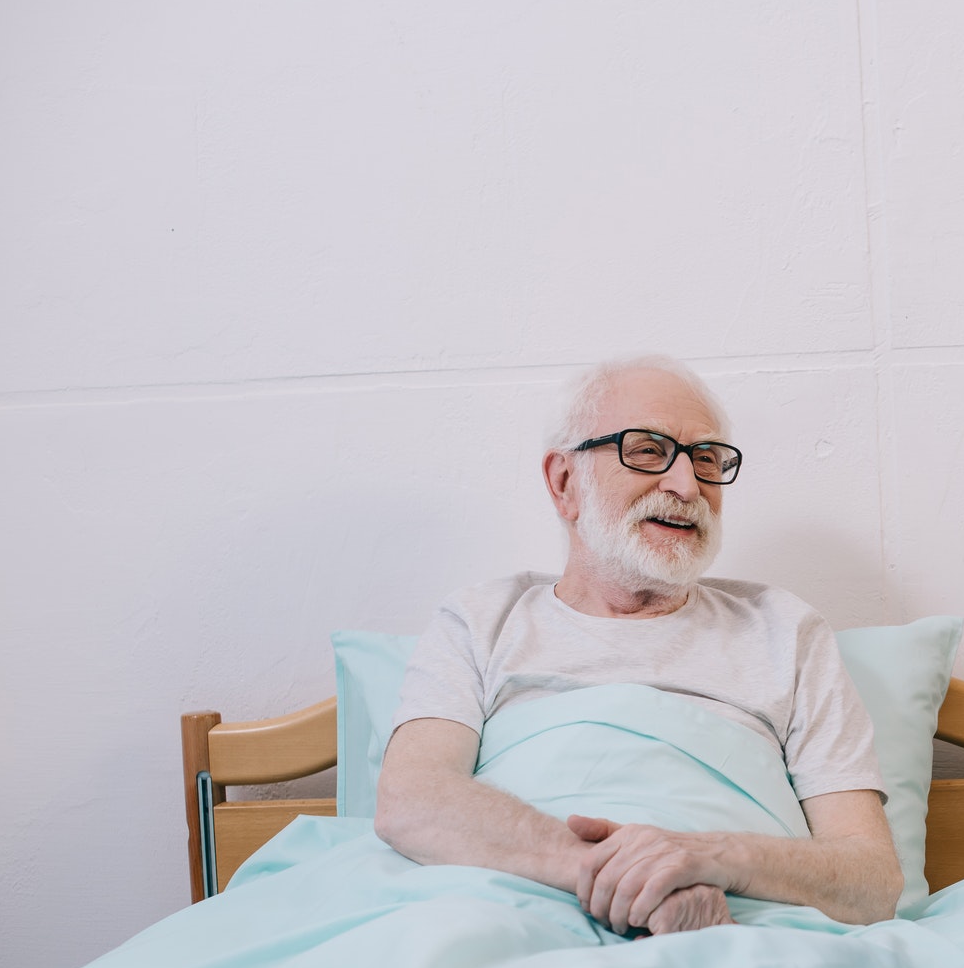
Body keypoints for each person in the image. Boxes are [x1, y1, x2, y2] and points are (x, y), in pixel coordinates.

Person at [374, 356, 901, 934]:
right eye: (647, 450)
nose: (686, 485)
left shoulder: (784, 629)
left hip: (745, 927)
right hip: (501, 916)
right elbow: (412, 799)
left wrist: (710, 860)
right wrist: (631, 881)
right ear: (564, 482)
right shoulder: (481, 620)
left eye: (705, 459)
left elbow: (871, 880)